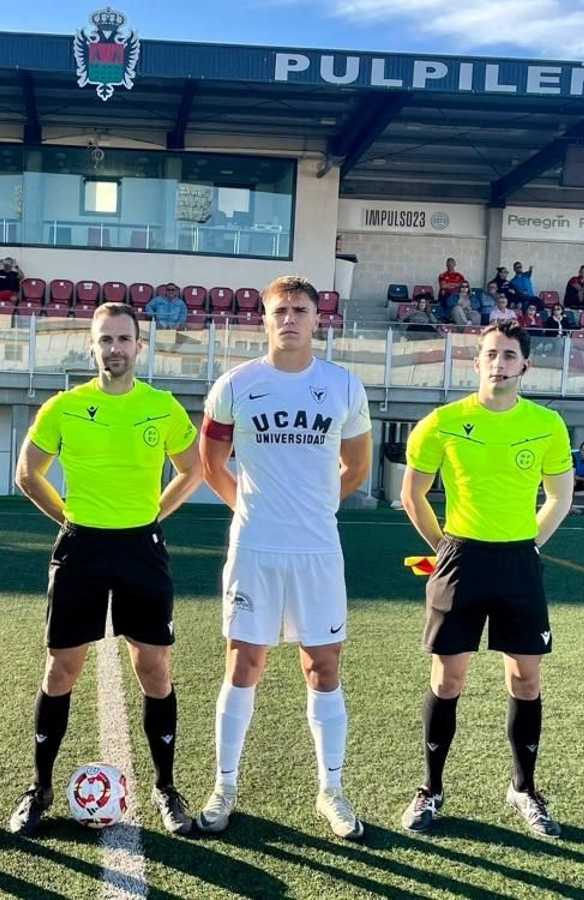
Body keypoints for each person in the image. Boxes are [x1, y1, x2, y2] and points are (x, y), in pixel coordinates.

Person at [9, 302, 205, 837]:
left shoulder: (162, 407)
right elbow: (28, 473)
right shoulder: (63, 408)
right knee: (60, 670)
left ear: (139, 346)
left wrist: (155, 514)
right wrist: (67, 517)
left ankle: (166, 787)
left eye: (123, 338)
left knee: (154, 670)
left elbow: (193, 469)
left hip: (142, 549)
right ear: (90, 346)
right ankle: (40, 787)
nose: (114, 348)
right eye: (105, 339)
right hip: (82, 549)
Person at [196, 276, 372, 840]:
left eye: (300, 310)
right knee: (243, 664)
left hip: (318, 549)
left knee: (323, 667)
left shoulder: (344, 387)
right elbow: (211, 463)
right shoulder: (236, 385)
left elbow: (358, 466)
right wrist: (249, 509)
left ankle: (332, 790)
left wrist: (318, 508)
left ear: (318, 319)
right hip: (254, 549)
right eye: (279, 311)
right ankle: (224, 786)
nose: (289, 319)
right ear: (263, 319)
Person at [399, 318, 574, 840]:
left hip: (519, 563)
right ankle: (431, 789)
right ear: (476, 362)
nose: (499, 363)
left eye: (509, 355)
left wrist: (530, 544)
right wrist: (445, 550)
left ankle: (524, 788)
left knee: (526, 677)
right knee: (447, 678)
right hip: (460, 561)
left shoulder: (547, 424)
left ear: (525, 365)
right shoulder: (442, 422)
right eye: (490, 354)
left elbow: (559, 496)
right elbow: (413, 495)